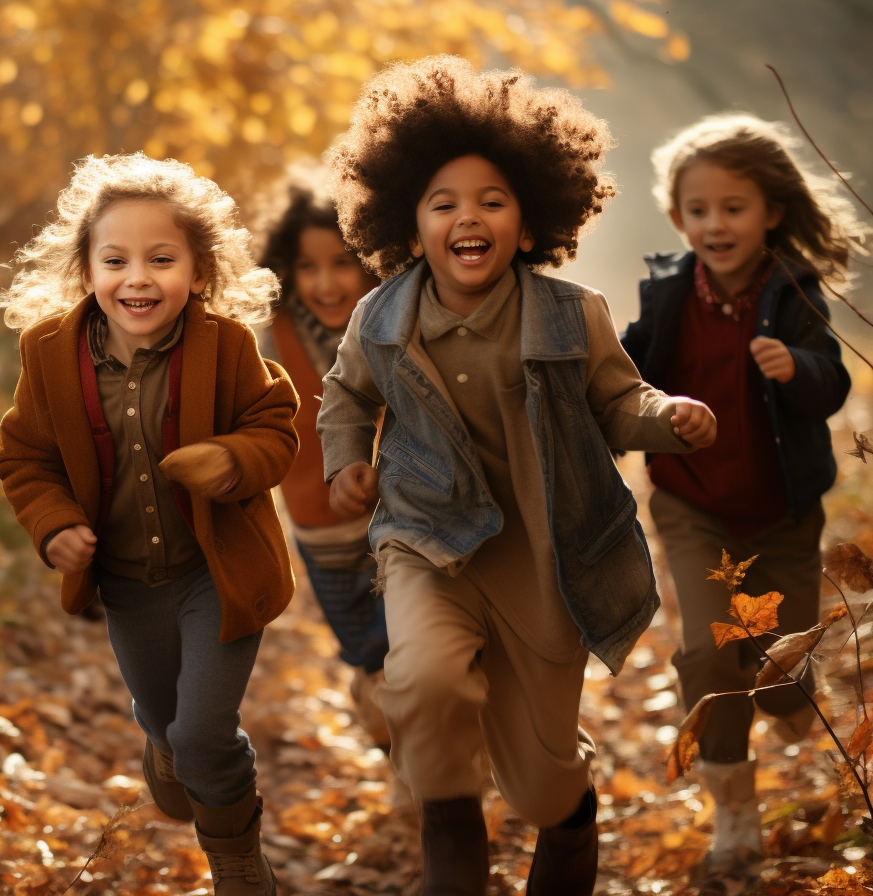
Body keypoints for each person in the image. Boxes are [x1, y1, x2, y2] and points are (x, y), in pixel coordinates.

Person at [317, 57, 717, 896]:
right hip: (427, 542)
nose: (470, 217)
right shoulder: (381, 318)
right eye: (444, 204)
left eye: (492, 202)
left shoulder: (574, 315)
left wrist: (667, 417)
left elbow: (620, 401)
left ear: (529, 226)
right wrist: (349, 461)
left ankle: (569, 830)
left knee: (541, 781)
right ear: (408, 225)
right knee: (420, 678)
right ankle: (451, 848)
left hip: (544, 557)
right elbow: (347, 398)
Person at [0, 153, 297, 896]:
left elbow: (277, 426)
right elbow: (24, 457)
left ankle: (237, 864)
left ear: (198, 271)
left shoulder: (225, 346)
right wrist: (55, 524)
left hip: (214, 573)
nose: (138, 278)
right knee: (166, 723)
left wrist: (231, 459)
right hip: (128, 583)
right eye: (116, 259)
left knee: (202, 734)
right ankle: (165, 747)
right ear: (87, 268)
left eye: (162, 259)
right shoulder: (50, 355)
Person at [621, 113, 864, 870]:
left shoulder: (793, 288)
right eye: (699, 210)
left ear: (772, 213)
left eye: (733, 208)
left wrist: (799, 366)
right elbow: (623, 371)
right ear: (677, 216)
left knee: (780, 669)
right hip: (692, 502)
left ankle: (792, 702)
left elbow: (832, 380)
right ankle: (734, 811)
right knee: (707, 651)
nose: (715, 224)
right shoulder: (666, 295)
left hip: (782, 512)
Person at [252, 171, 389, 747]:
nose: (326, 284)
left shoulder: (396, 324)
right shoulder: (273, 339)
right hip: (322, 535)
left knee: (408, 653)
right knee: (367, 657)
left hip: (405, 527)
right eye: (308, 267)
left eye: (342, 263)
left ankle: (431, 784)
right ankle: (388, 739)